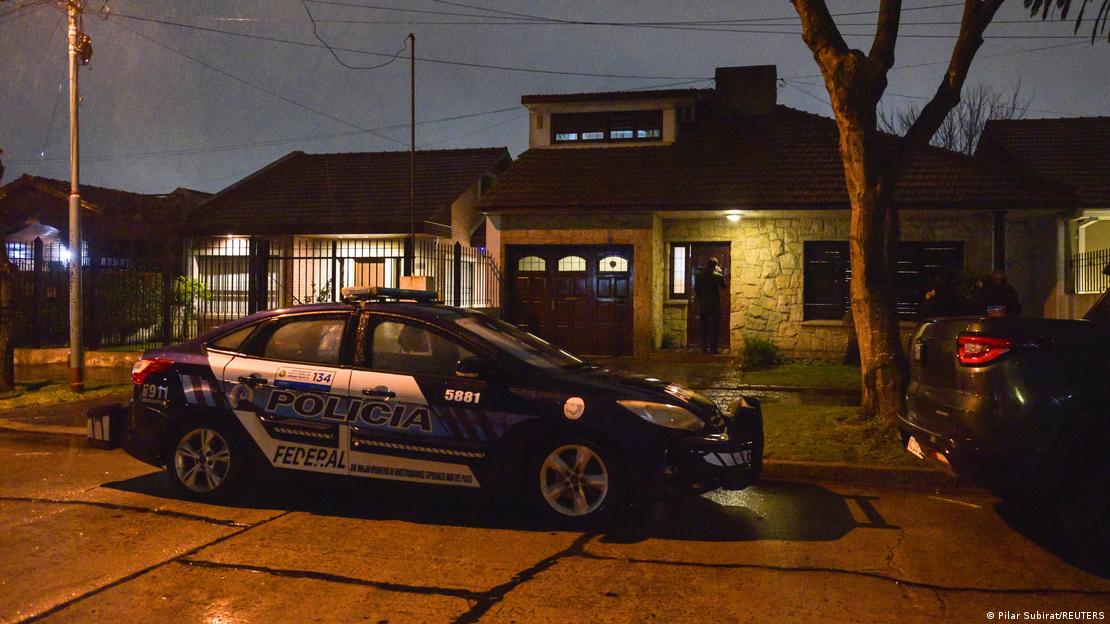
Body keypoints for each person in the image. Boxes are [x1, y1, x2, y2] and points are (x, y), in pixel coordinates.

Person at [693, 257, 726, 354]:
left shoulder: (699, 275)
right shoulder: (718, 276)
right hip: (715, 304)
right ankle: (713, 348)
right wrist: (721, 273)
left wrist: (701, 299)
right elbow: (724, 286)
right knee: (715, 327)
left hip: (704, 304)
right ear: (715, 265)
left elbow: (696, 290)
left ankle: (704, 348)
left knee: (704, 327)